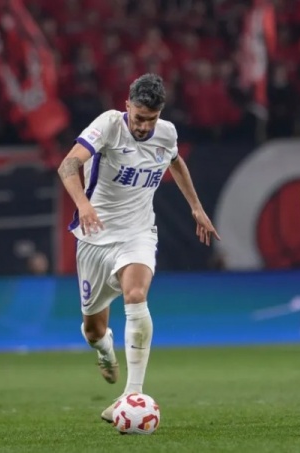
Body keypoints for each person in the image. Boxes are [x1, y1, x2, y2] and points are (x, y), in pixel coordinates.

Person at [57, 73, 220, 422]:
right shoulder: (109, 125)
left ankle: (132, 393)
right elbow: (68, 164)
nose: (144, 126)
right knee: (93, 330)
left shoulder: (167, 133)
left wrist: (196, 207)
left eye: (152, 119)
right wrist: (83, 205)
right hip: (95, 237)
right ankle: (105, 350)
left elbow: (175, 161)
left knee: (135, 295)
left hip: (138, 233)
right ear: (127, 105)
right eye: (140, 117)